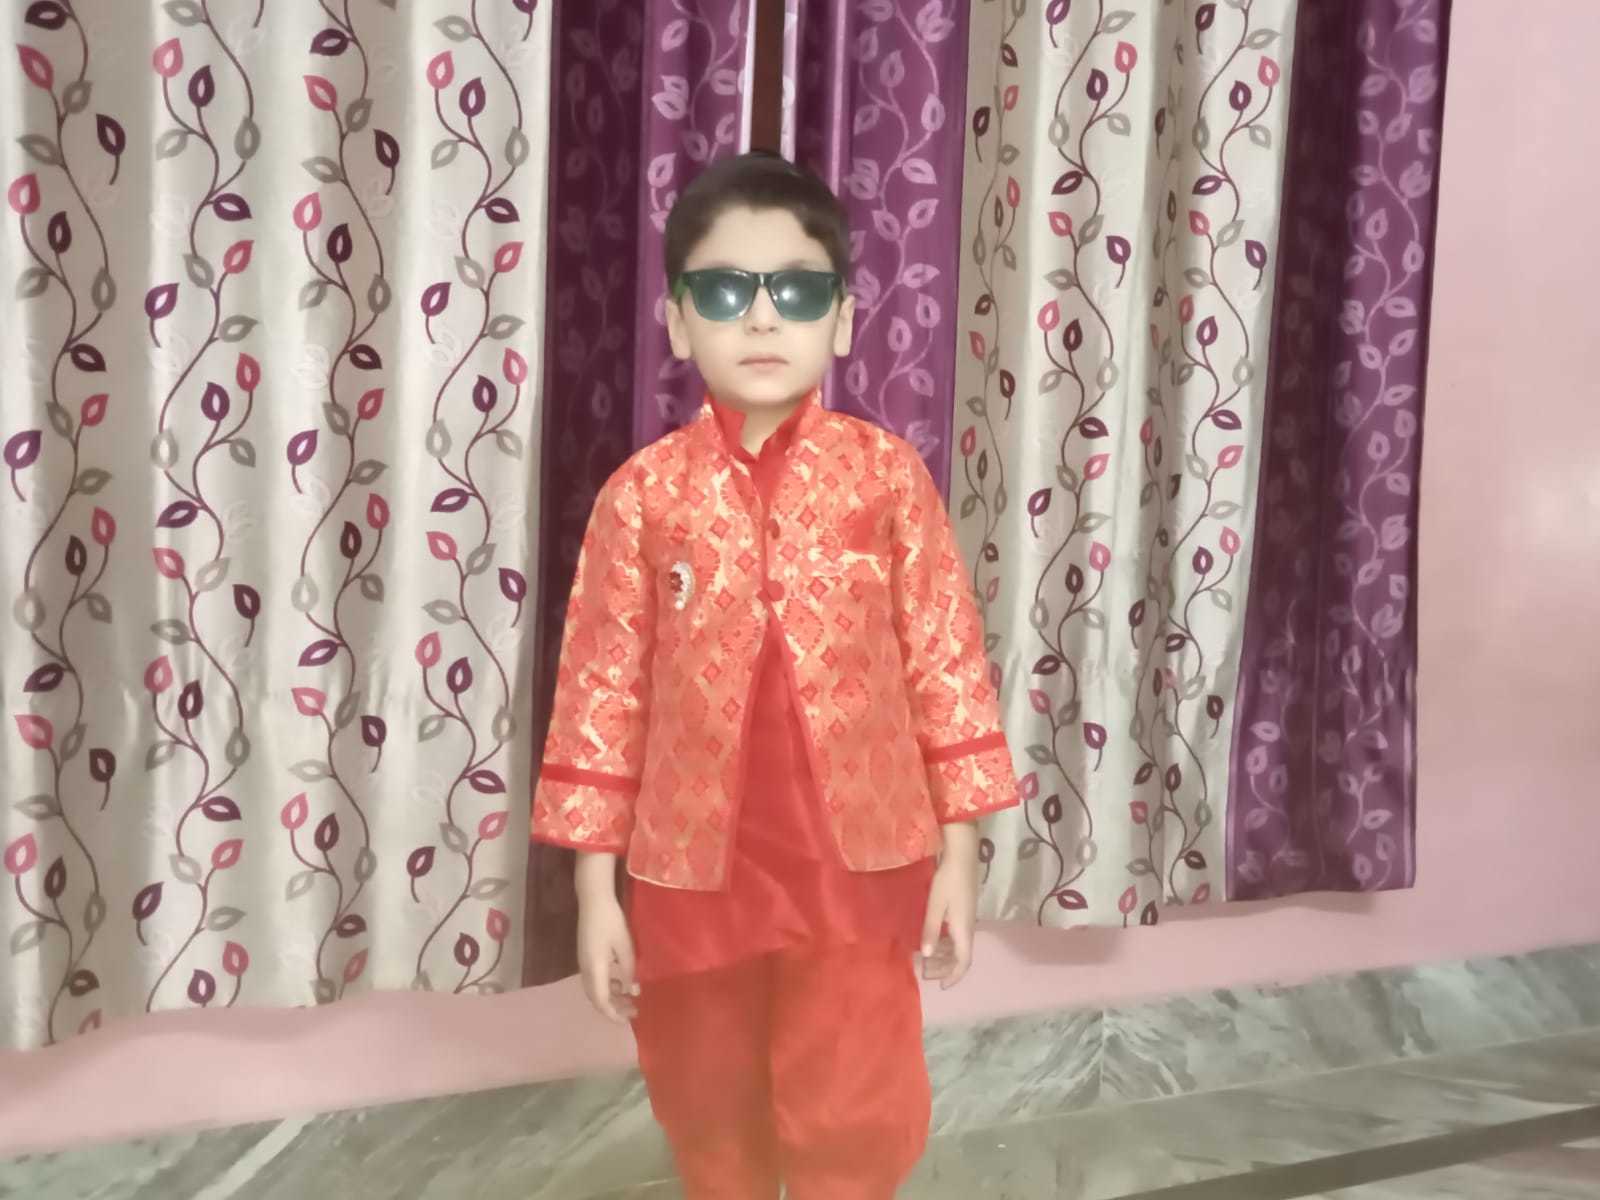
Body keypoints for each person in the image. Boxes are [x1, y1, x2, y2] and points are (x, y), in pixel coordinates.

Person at [532, 151, 1019, 1200]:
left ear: (841, 319)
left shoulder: (887, 478)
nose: (760, 318)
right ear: (676, 321)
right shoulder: (641, 496)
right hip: (687, 873)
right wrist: (593, 892)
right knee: (706, 1105)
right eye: (723, 291)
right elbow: (601, 694)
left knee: (854, 1109)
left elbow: (945, 662)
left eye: (795, 291)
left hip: (859, 867)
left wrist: (960, 854)